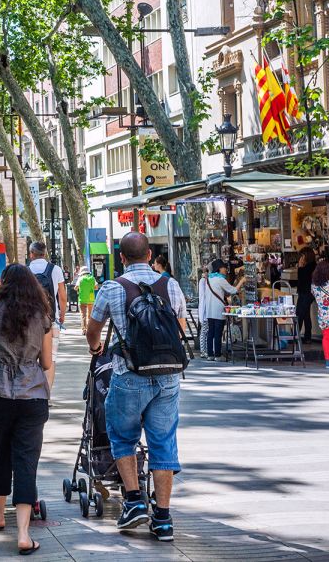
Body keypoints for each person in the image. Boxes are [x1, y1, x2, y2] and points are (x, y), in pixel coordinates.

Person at [87, 232, 188, 543]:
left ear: (122, 258)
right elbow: (180, 327)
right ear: (148, 255)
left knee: (122, 436)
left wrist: (97, 348)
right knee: (163, 442)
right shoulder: (169, 284)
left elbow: (93, 331)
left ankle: (133, 501)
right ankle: (163, 518)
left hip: (128, 373)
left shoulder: (112, 287)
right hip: (168, 376)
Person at [0, 265, 52, 556]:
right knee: (26, 462)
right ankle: (23, 533)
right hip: (33, 397)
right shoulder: (41, 315)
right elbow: (45, 362)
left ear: (2, 284)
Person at [27, 242, 66, 392]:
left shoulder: (26, 271)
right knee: (51, 358)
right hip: (51, 320)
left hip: (29, 321)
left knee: (30, 358)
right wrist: (62, 315)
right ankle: (47, 393)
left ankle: (32, 391)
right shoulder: (55, 270)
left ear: (31, 254)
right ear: (45, 253)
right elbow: (62, 296)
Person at [198, 259, 244, 361]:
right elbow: (233, 290)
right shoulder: (220, 280)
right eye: (224, 268)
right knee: (218, 333)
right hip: (218, 310)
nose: (226, 269)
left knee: (211, 333)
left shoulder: (209, 279)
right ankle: (218, 355)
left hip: (210, 310)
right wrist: (242, 281)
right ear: (219, 269)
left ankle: (210, 355)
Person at [295, 248, 317, 341]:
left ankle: (296, 335)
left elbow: (302, 279)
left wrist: (300, 267)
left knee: (299, 314)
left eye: (302, 256)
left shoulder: (308, 267)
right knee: (306, 315)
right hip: (308, 293)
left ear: (306, 256)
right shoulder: (313, 266)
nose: (301, 258)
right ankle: (307, 337)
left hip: (305, 293)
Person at [75, 267, 98, 335]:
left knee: (83, 315)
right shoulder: (92, 278)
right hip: (91, 299)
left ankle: (84, 330)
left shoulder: (80, 279)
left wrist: (80, 288)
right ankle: (90, 329)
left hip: (82, 299)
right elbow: (96, 287)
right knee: (90, 315)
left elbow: (76, 288)